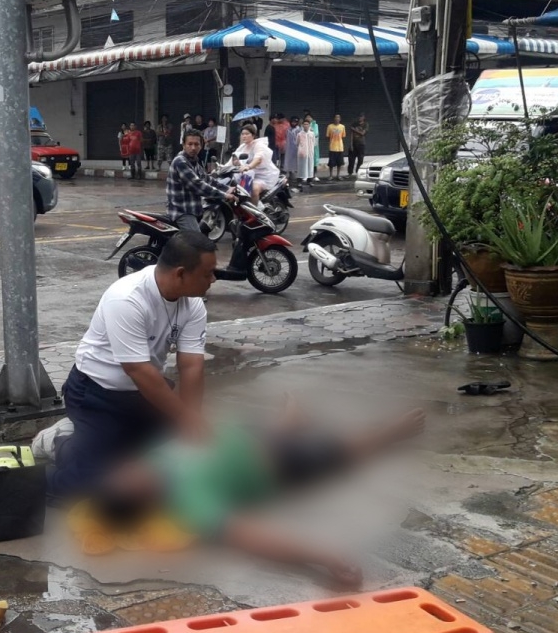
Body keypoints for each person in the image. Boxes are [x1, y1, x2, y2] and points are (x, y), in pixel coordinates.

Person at [81, 396, 426, 585]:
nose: (126, 469)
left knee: (271, 430)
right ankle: (392, 433)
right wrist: (324, 556)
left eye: (119, 473)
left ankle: (290, 421)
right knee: (340, 452)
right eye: (125, 480)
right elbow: (249, 536)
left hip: (242, 438)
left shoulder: (152, 460)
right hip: (276, 463)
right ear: (140, 499)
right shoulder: (188, 501)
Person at [48, 232, 217, 498]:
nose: (213, 279)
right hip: (95, 394)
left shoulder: (193, 304)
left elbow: (191, 366)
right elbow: (138, 370)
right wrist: (185, 417)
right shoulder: (127, 298)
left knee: (169, 465)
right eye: (208, 273)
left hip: (144, 394)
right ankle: (60, 442)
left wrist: (191, 421)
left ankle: (105, 446)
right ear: (181, 274)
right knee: (97, 489)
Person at [166, 130, 235, 233]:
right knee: (198, 241)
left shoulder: (194, 162)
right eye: (190, 144)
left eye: (196, 144)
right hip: (182, 211)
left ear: (201, 146)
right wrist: (224, 195)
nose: (193, 148)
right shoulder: (180, 162)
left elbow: (208, 179)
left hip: (193, 209)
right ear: (183, 145)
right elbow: (198, 185)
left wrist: (227, 188)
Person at [233, 123, 282, 204]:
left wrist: (249, 166)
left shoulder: (258, 145)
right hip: (247, 175)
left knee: (254, 189)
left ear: (253, 135)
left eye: (247, 134)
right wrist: (221, 168)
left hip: (261, 176)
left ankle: (254, 209)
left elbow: (258, 159)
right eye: (242, 134)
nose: (244, 136)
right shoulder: (242, 147)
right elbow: (232, 159)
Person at [297, 117, 318, 186]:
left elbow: (314, 143)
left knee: (310, 167)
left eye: (307, 124)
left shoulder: (312, 134)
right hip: (302, 154)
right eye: (304, 124)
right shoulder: (299, 134)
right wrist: (301, 149)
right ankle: (299, 182)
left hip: (310, 153)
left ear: (309, 125)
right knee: (301, 167)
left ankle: (310, 181)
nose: (306, 125)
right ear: (302, 125)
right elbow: (297, 143)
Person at [326, 114, 347, 180]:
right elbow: (327, 136)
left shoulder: (342, 127)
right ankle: (331, 175)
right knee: (331, 163)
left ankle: (338, 175)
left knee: (339, 163)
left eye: (338, 117)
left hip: (340, 147)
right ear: (334, 118)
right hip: (332, 147)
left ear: (340, 119)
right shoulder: (330, 126)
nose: (337, 119)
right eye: (336, 117)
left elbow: (343, 136)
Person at [305, 111, 320, 180]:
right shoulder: (304, 125)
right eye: (307, 117)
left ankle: (315, 175)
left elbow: (316, 133)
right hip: (306, 146)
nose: (308, 118)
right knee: (306, 161)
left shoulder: (315, 125)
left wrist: (310, 130)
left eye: (309, 117)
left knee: (314, 161)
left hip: (314, 146)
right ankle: (307, 175)